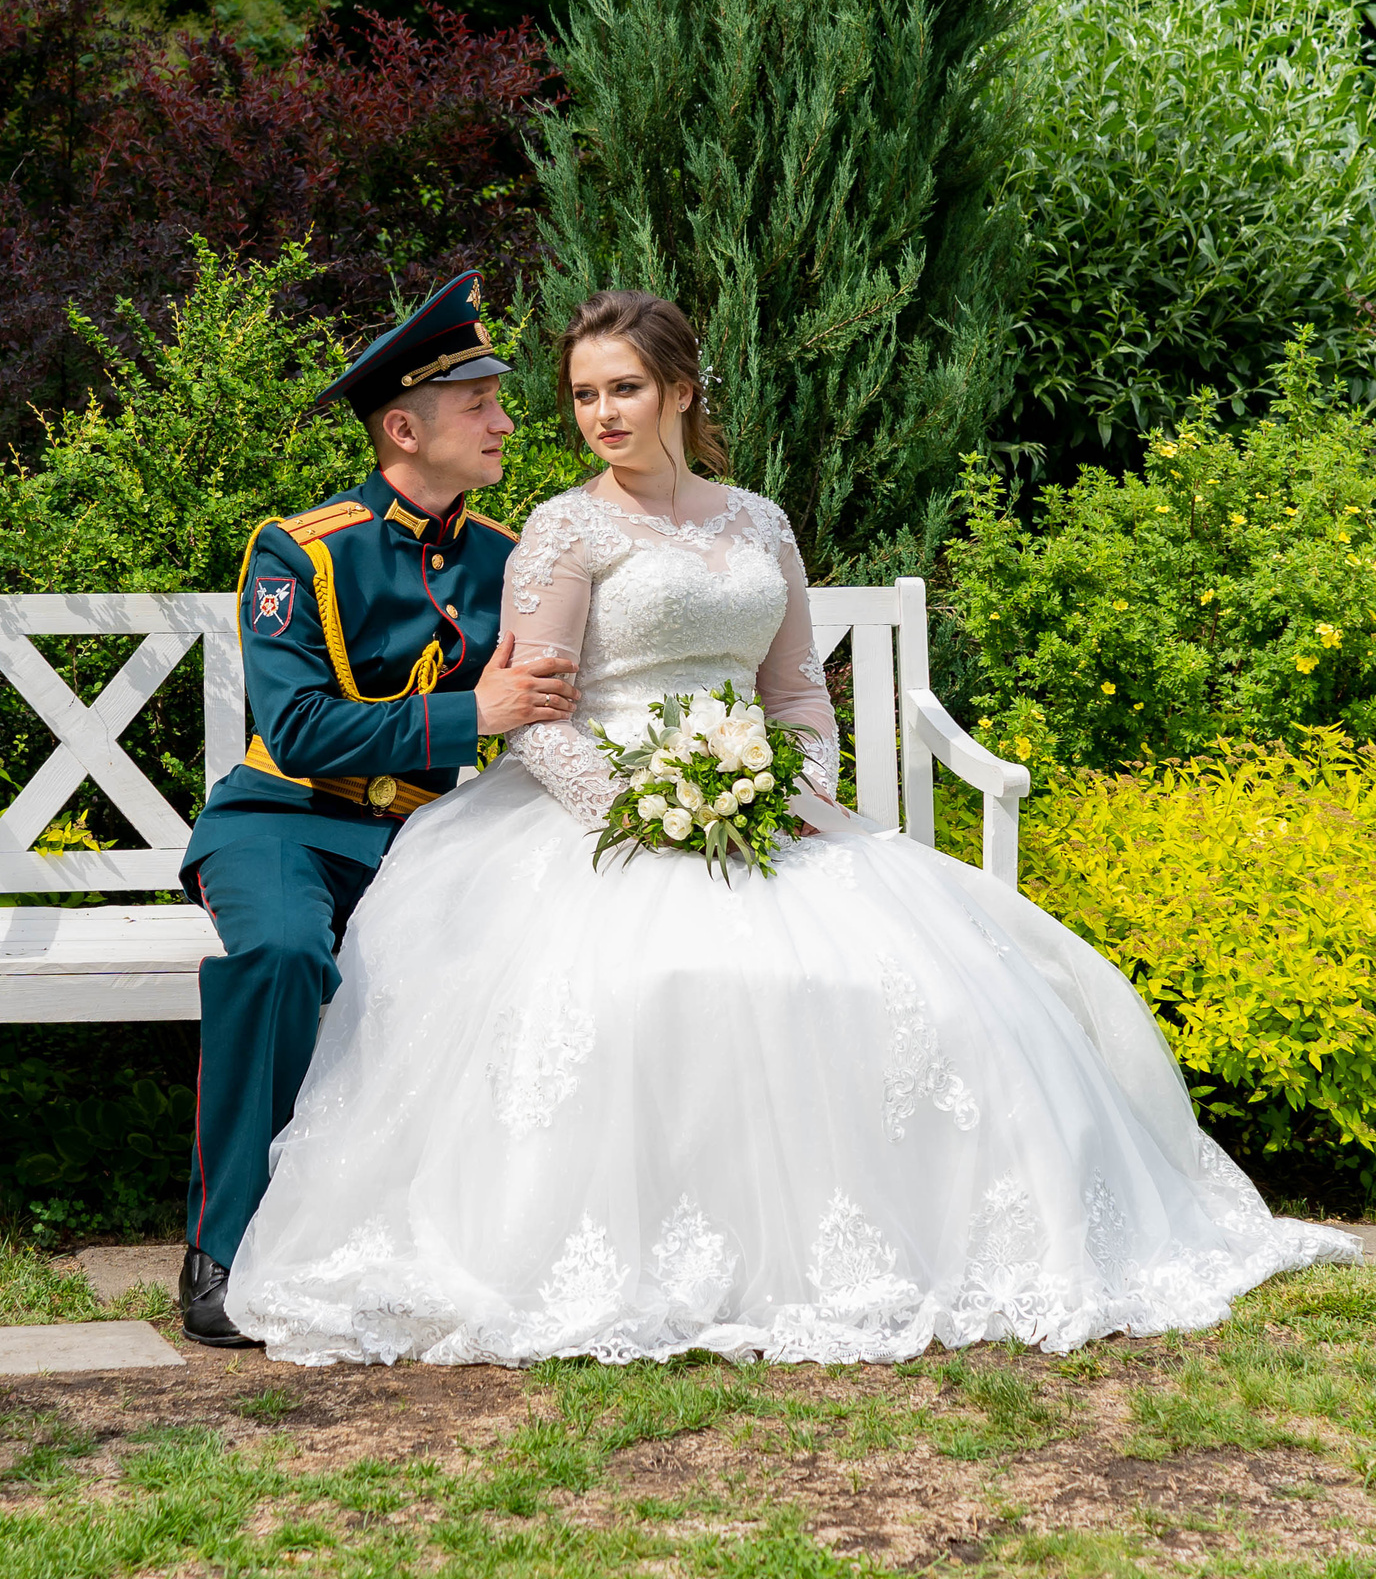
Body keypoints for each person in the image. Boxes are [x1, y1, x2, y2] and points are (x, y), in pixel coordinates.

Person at [223, 290, 1359, 1367]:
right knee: (643, 989)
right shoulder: (562, 531)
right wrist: (645, 816)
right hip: (605, 814)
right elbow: (537, 721)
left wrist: (786, 792)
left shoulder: (759, 523)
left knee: (936, 992)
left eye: (620, 388)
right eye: (580, 396)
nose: (597, 415)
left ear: (677, 390)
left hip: (760, 806)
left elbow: (798, 697)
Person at [177, 271, 582, 1346]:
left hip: (431, 841)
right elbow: (299, 726)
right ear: (402, 428)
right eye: (476, 403)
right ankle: (223, 1247)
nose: (504, 419)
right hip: (282, 823)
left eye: (499, 397)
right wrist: (471, 715)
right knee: (280, 961)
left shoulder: (509, 556)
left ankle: (476, 1240)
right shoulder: (298, 549)